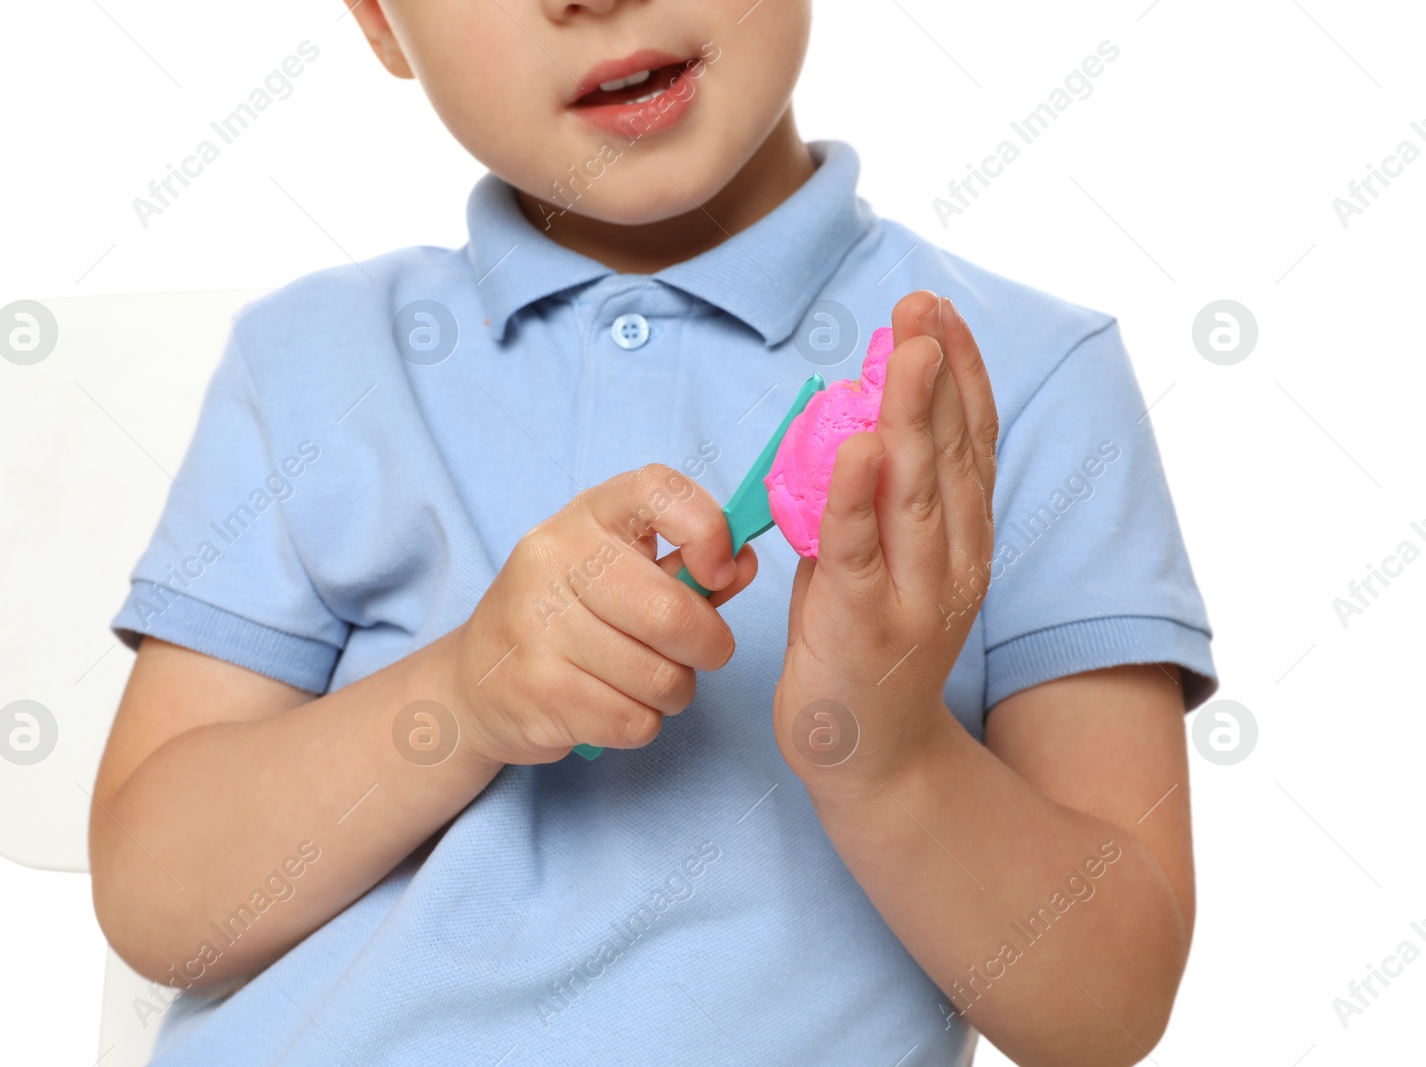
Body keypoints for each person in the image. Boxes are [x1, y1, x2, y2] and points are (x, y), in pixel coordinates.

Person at [90, 3, 1218, 1064]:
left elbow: (1105, 1004)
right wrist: (464, 695)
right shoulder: (307, 364)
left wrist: (886, 751)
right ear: (382, 19)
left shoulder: (1010, 384)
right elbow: (158, 900)